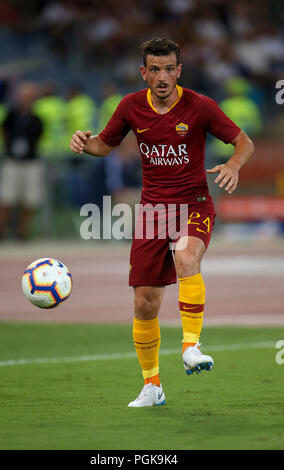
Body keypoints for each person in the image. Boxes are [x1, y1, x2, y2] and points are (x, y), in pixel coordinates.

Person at [70, 38, 254, 407]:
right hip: (153, 212)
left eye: (169, 68)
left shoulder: (200, 106)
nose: (162, 76)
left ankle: (190, 346)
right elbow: (103, 145)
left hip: (194, 204)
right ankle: (152, 386)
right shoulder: (130, 107)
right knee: (144, 303)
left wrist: (233, 164)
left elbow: (243, 142)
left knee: (187, 258)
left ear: (179, 71)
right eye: (154, 69)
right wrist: (82, 142)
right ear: (144, 73)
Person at [0, 82, 43, 239]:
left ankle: (22, 233)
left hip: (30, 162)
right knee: (6, 197)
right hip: (12, 160)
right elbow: (2, 132)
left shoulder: (36, 119)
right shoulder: (11, 116)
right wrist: (7, 148)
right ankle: (0, 232)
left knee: (30, 199)